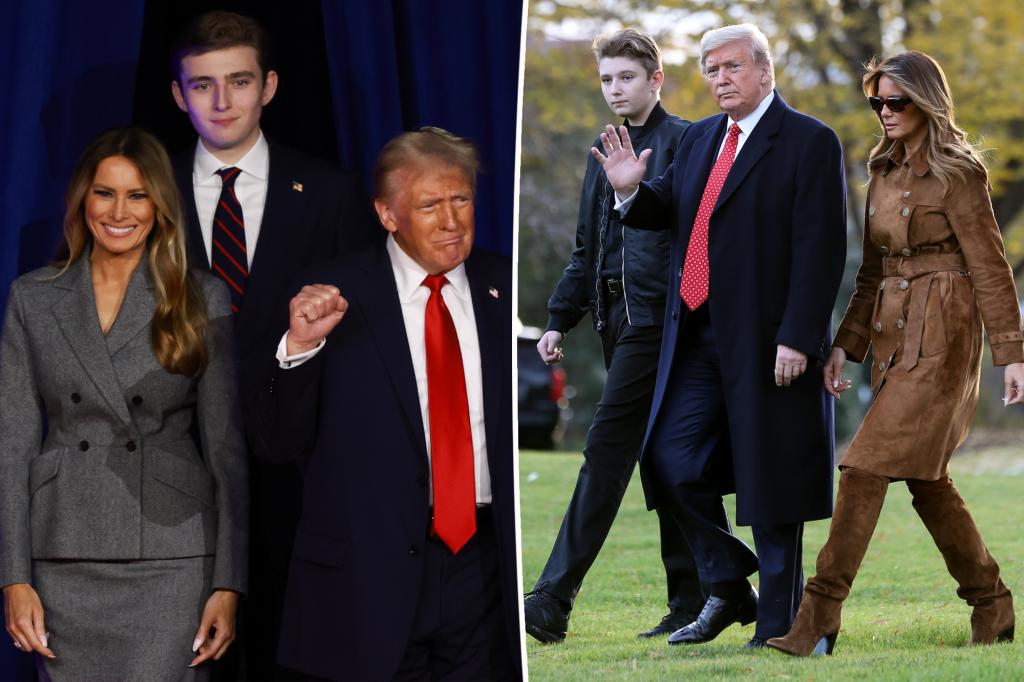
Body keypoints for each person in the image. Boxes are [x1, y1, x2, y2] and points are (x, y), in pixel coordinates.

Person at [593, 23, 847, 648]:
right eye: (710, 70)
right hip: (696, 336)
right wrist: (629, 191)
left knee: (772, 479)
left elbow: (822, 249)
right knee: (667, 457)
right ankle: (730, 582)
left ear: (765, 69)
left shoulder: (810, 141)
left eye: (731, 67)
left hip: (769, 340)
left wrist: (799, 336)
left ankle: (781, 626)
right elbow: (670, 210)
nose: (720, 79)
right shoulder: (701, 137)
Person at [767, 51, 1022, 657]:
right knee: (928, 482)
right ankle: (992, 603)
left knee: (862, 467)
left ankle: (818, 615)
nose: (884, 112)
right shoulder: (880, 171)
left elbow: (990, 267)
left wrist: (1013, 353)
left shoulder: (960, 173)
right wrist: (844, 347)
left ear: (926, 101)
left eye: (896, 102)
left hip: (946, 337)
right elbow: (872, 272)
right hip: (891, 335)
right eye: (877, 101)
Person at [247, 127, 521, 680]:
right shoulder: (329, 294)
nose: (450, 220)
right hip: (365, 578)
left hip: (486, 576)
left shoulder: (505, 287)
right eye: (428, 205)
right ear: (387, 214)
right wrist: (300, 348)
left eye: (461, 199)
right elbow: (275, 442)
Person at [168, 11, 375, 676]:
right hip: (174, 488)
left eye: (239, 82)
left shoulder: (332, 192)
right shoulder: (145, 197)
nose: (222, 102)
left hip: (299, 484)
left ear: (270, 86)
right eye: (203, 85)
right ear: (179, 94)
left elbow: (360, 346)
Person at [0, 128, 248, 680]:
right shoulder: (33, 297)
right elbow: (12, 446)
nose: (119, 211)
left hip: (173, 553)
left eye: (137, 195)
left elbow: (226, 448)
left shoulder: (198, 296)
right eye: (104, 193)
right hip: (64, 550)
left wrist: (229, 582)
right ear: (82, 200)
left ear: (159, 205)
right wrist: (14, 578)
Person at [524, 28, 704, 644]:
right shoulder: (600, 151)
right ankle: (698, 598)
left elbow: (685, 228)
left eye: (626, 77)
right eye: (606, 79)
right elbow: (587, 250)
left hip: (663, 322)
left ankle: (552, 597)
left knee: (605, 452)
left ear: (657, 79)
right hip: (615, 321)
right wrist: (557, 320)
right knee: (663, 460)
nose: (615, 89)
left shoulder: (686, 141)